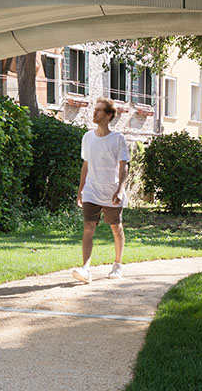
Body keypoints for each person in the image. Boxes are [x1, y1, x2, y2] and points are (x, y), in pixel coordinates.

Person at [72, 98, 129, 283]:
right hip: (91, 191)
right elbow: (85, 165)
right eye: (94, 109)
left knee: (115, 227)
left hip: (111, 192)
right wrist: (80, 190)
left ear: (109, 115)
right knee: (88, 228)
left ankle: (117, 266)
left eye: (99, 110)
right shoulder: (87, 137)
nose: (94, 113)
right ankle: (85, 269)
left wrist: (120, 189)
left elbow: (124, 166)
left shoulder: (118, 139)